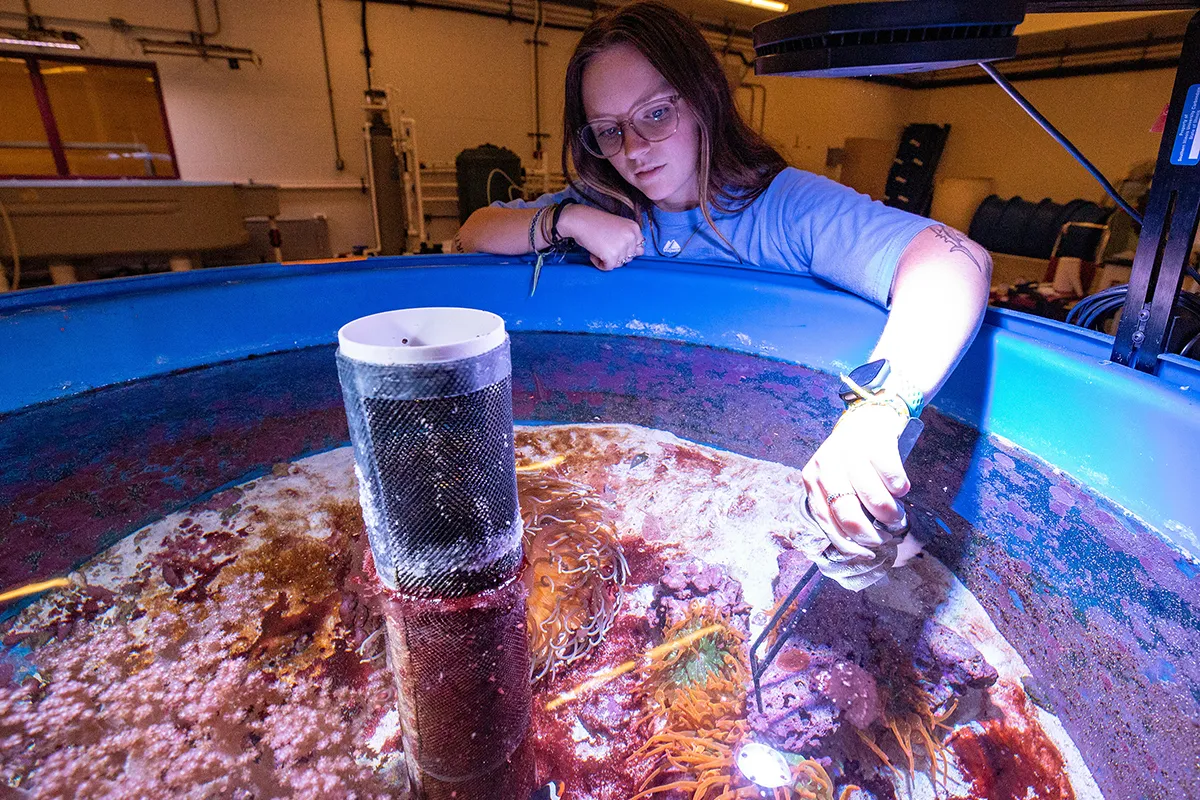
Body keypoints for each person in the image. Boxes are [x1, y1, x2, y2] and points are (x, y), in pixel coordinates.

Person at [457, 1, 992, 561]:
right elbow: (475, 230)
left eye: (656, 114)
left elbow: (955, 259)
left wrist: (878, 410)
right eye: (608, 131)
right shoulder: (603, 207)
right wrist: (567, 219)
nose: (635, 151)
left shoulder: (782, 209)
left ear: (702, 99)